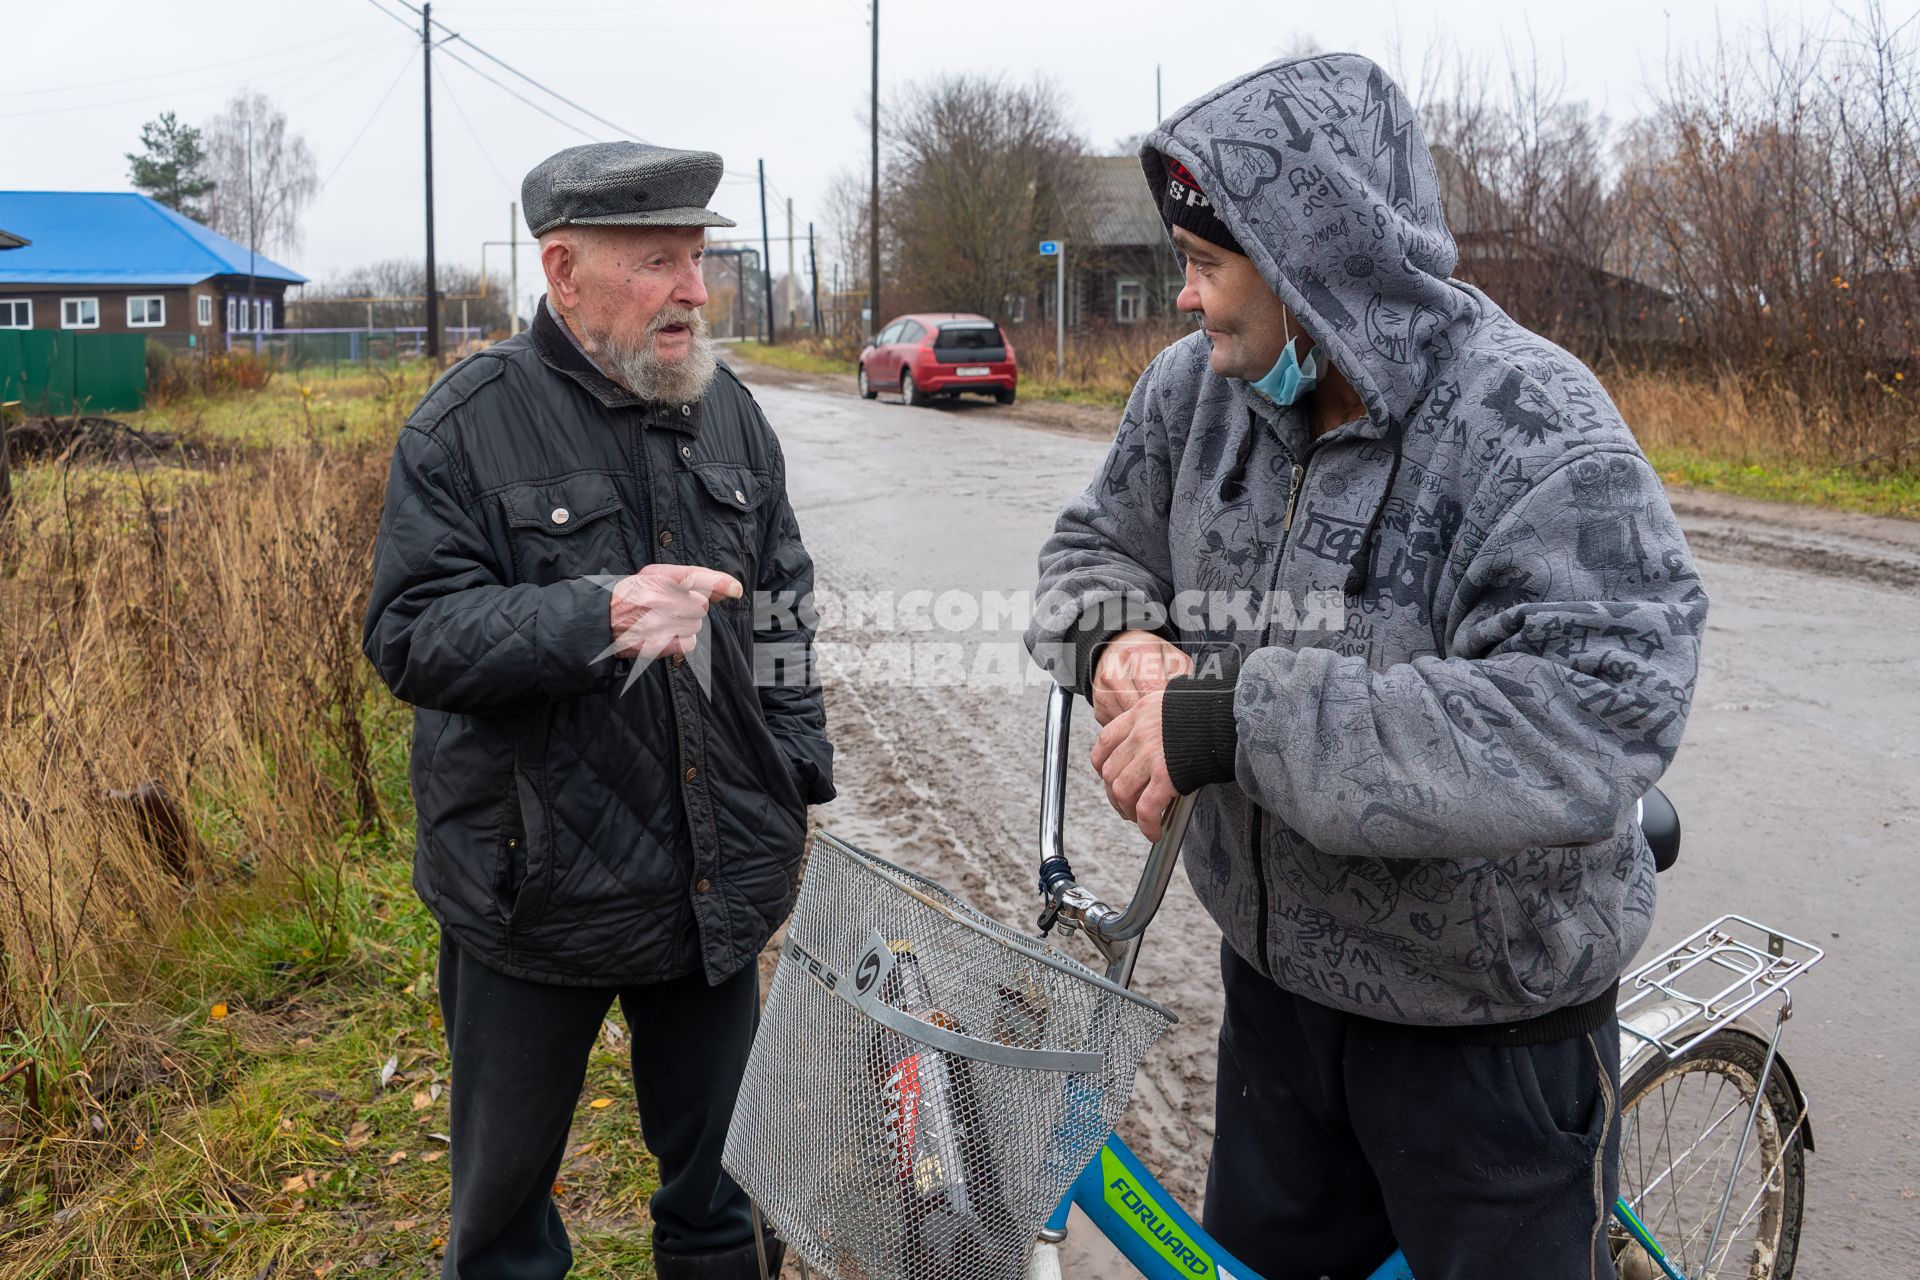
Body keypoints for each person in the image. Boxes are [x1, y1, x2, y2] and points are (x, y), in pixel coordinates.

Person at [1026, 55, 1707, 1280]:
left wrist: (1237, 718)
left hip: (1484, 1032)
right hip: (1279, 1000)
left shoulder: (1536, 427)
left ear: (1307, 258)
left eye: (1207, 265)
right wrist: (1118, 639)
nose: (1185, 299)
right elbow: (1090, 545)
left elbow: (1591, 711)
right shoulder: (1197, 394)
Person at [363, 140, 832, 1280]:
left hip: (708, 887)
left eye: (699, 258)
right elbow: (412, 634)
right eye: (657, 262)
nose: (692, 290)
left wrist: (795, 761)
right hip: (534, 889)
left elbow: (781, 603)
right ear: (562, 270)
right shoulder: (463, 426)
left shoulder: (731, 419)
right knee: (506, 1226)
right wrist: (596, 616)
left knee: (728, 1204)